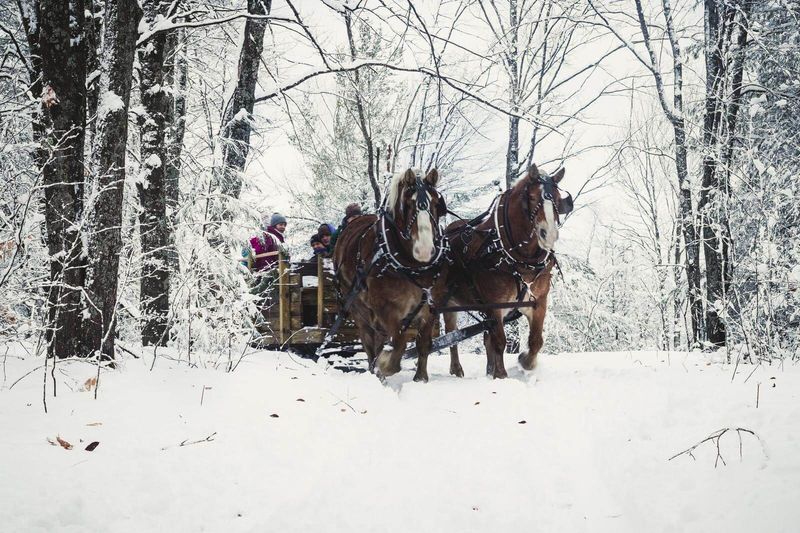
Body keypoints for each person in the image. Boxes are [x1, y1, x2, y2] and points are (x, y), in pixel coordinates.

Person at [245, 212, 289, 294]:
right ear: (274, 225)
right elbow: (260, 250)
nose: (283, 227)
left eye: (284, 225)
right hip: (266, 267)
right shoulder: (269, 236)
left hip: (273, 266)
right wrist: (266, 266)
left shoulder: (277, 236)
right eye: (280, 224)